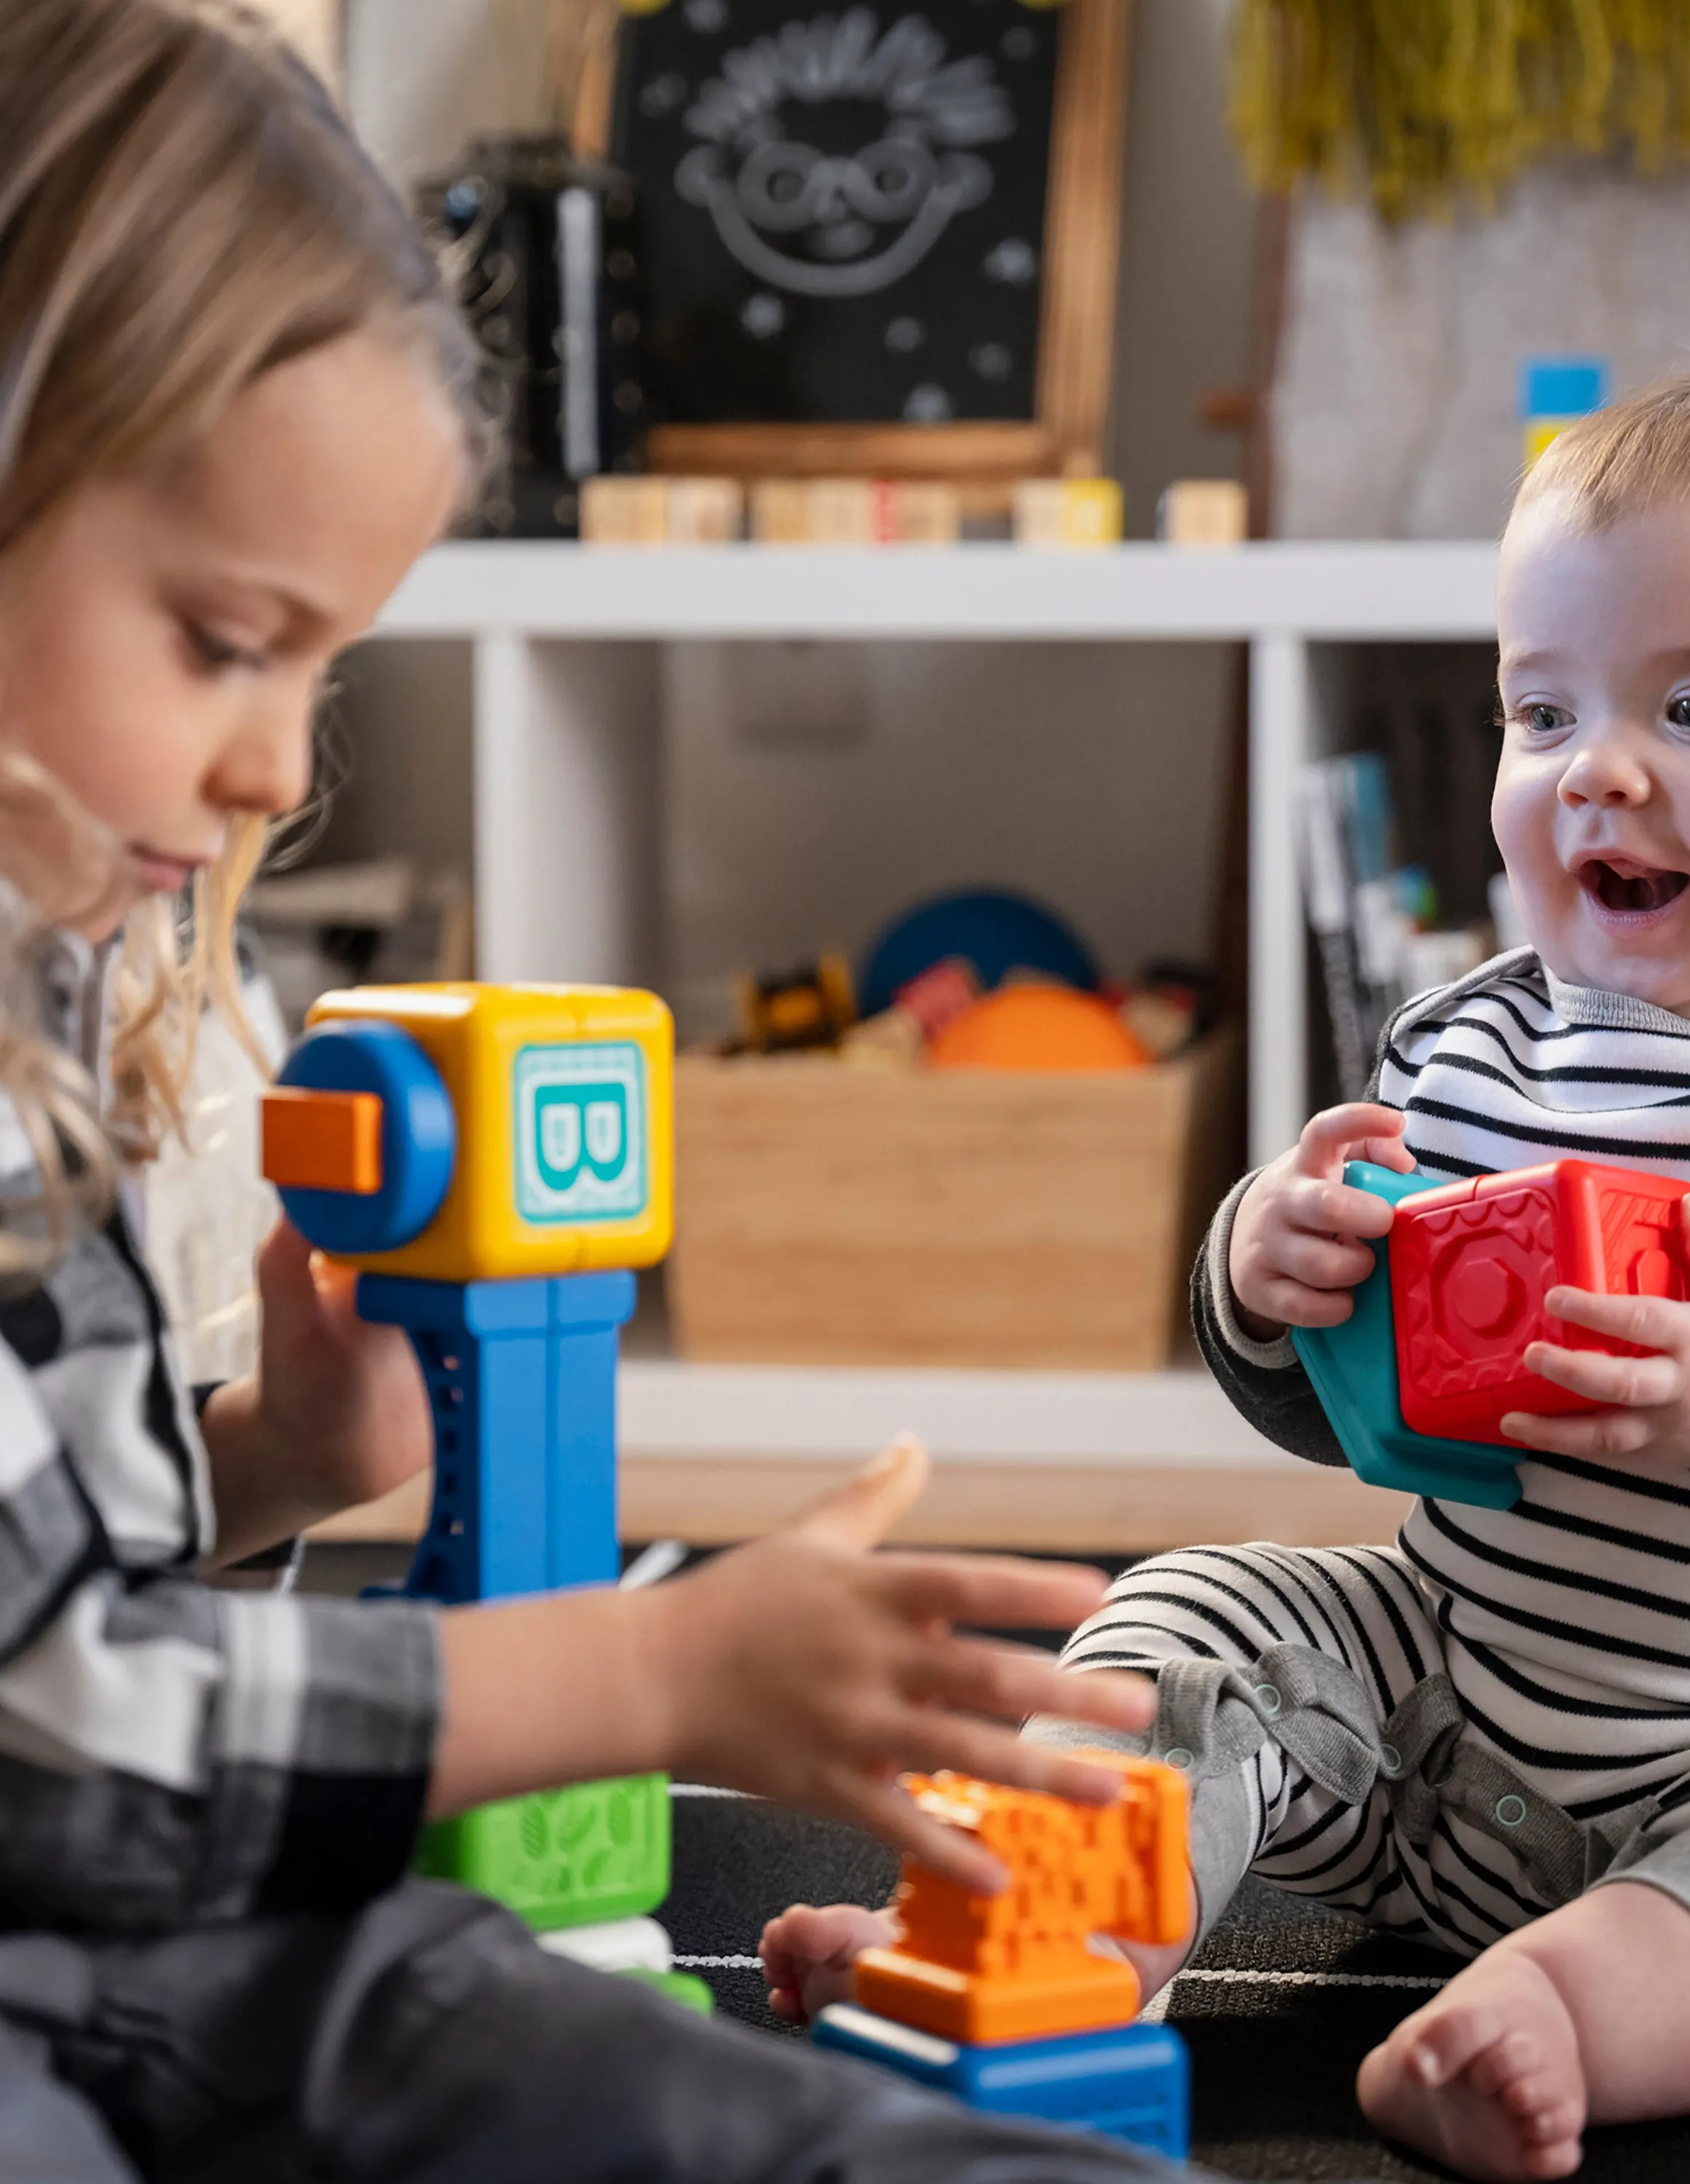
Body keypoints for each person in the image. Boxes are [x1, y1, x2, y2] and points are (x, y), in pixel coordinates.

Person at [0, 5, 1190, 2177]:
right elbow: (53, 1735)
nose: (278, 766)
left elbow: (41, 1579)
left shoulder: (51, 968)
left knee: (649, 2080)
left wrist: (262, 1461)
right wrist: (645, 1684)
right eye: (219, 637)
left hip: (150, 1938)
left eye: (320, 664)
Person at [762, 345, 1690, 2180]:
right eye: (1541, 710)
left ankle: (1563, 2015)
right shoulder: (1470, 1049)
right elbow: (1360, 1420)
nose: (1597, 773)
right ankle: (1036, 1942)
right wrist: (1270, 1283)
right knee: (1198, 1612)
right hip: (1448, 1718)